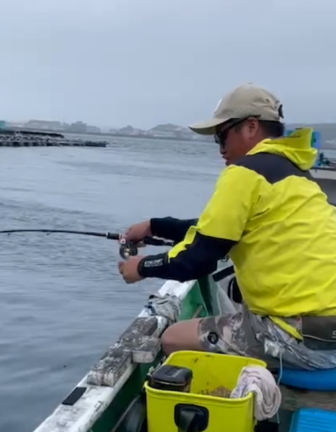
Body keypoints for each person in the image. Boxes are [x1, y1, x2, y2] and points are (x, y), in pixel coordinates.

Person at [118, 83, 336, 370]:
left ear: (250, 127)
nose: (221, 149)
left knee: (172, 338)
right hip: (327, 329)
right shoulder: (298, 175)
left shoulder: (244, 172)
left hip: (298, 336)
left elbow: (197, 260)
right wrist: (155, 226)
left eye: (222, 137)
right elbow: (218, 231)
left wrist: (141, 268)